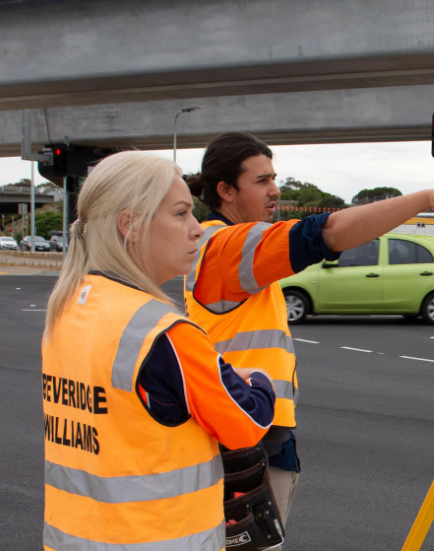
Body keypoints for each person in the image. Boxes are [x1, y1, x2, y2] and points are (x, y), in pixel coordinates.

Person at [184, 132, 434, 529]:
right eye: (262, 180)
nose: (274, 189)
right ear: (225, 190)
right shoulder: (226, 246)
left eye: (273, 177)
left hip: (252, 435)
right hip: (244, 443)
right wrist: (426, 199)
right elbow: (326, 233)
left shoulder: (226, 246)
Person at [42, 151, 277, 551]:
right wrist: (257, 380)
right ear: (130, 225)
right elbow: (246, 422)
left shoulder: (67, 309)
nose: (197, 230)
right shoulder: (163, 333)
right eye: (181, 213)